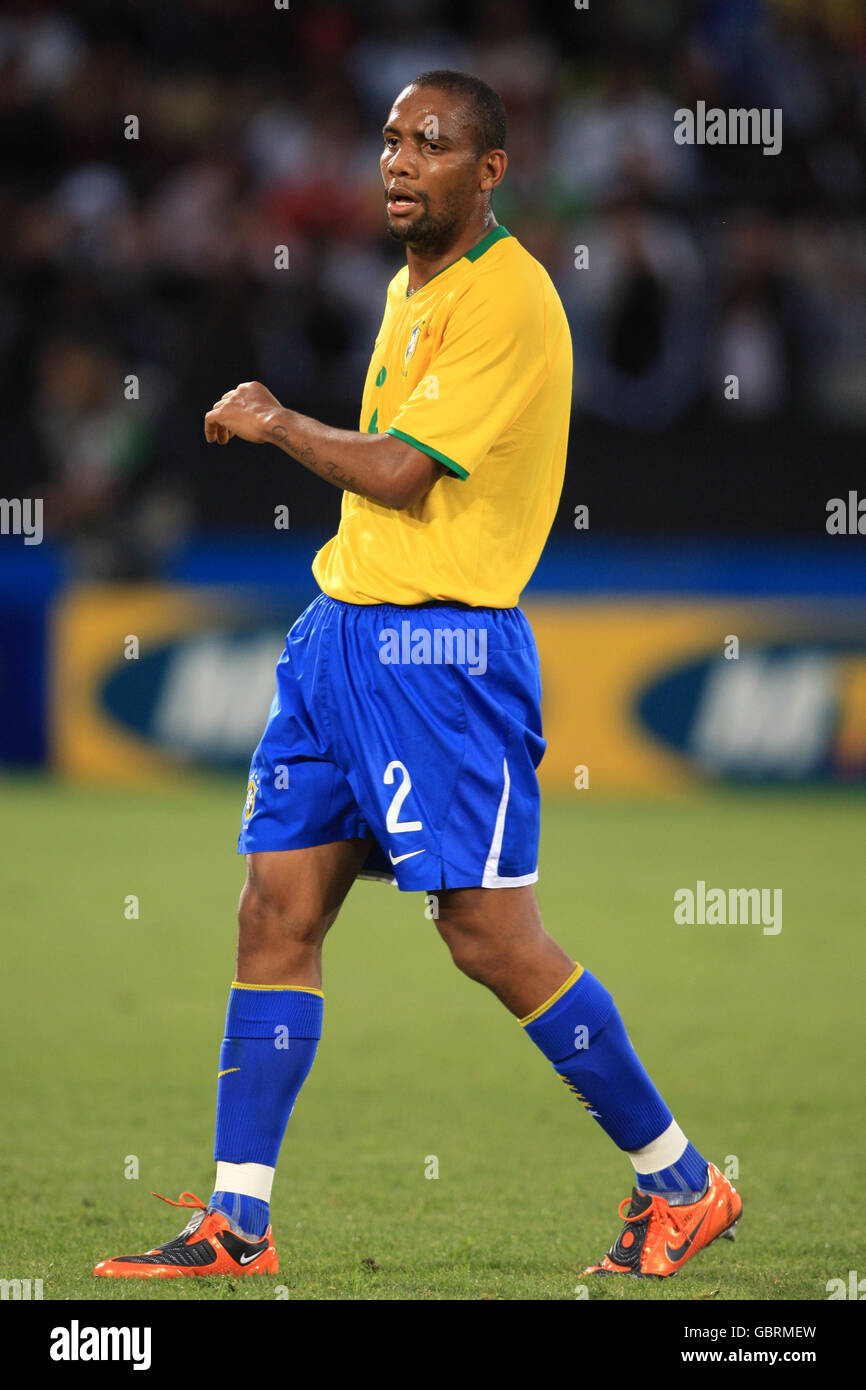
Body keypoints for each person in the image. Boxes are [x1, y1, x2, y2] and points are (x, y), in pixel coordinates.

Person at [95, 70, 740, 1285]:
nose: (397, 160)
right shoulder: (411, 285)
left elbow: (397, 472)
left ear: (488, 170)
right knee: (273, 910)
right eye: (390, 138)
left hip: (439, 654)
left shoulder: (507, 300)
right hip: (338, 634)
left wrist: (276, 421)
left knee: (490, 936)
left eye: (429, 143)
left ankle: (683, 1181)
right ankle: (239, 1222)